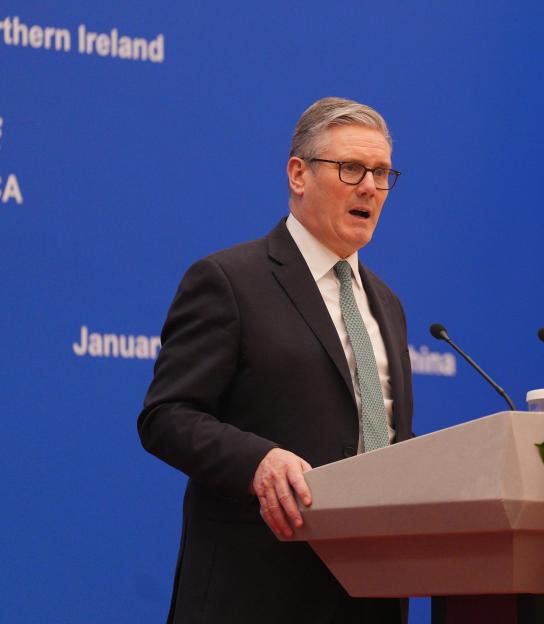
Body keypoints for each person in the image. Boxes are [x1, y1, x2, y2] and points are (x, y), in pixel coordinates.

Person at [138, 97, 413, 624]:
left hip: (372, 593)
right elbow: (166, 416)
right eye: (351, 168)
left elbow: (388, 440)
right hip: (257, 590)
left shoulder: (387, 303)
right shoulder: (229, 282)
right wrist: (258, 462)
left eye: (381, 173)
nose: (370, 188)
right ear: (298, 175)